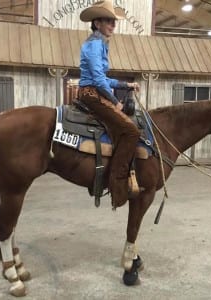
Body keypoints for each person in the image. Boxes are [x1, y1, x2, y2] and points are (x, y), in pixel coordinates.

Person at [78, 0, 141, 209]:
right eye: (108, 21)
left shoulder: (100, 43)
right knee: (131, 131)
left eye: (114, 21)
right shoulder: (95, 44)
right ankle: (117, 181)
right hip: (92, 95)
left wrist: (126, 84)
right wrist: (115, 102)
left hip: (96, 92)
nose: (113, 25)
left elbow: (104, 79)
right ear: (97, 23)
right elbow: (97, 79)